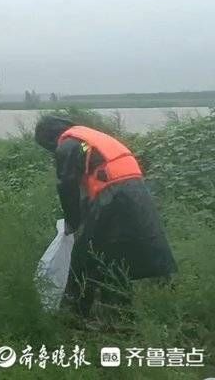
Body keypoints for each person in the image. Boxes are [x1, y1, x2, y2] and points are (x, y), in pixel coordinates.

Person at [34, 116, 177, 317]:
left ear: (49, 138)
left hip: (114, 194)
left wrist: (72, 224)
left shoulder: (68, 144)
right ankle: (121, 309)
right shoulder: (89, 138)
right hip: (135, 191)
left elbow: (67, 186)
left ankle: (74, 313)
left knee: (86, 253)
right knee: (119, 252)